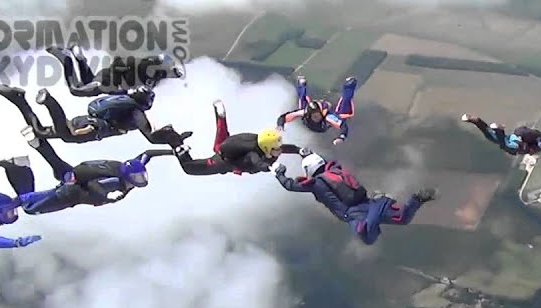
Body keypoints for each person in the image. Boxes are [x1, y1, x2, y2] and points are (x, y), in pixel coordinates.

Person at [274, 151, 436, 245]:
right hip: (369, 202)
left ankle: (367, 221)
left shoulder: (315, 183)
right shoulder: (336, 170)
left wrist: (279, 173)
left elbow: (290, 185)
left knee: (367, 237)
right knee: (403, 218)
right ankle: (416, 199)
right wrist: (306, 153)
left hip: (353, 214)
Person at [0, 135, 173, 215]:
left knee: (56, 163)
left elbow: (147, 153)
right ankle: (20, 168)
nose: (139, 181)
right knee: (29, 208)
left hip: (74, 176)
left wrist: (173, 152)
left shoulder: (130, 166)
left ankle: (33, 150)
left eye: (141, 177)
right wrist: (106, 199)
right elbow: (96, 188)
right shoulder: (115, 183)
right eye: (137, 179)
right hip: (69, 194)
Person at [0, 83, 185, 146]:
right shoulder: (137, 114)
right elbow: (151, 137)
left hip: (86, 119)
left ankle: (17, 98)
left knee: (41, 132)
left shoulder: (123, 98)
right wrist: (173, 139)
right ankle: (49, 100)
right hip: (97, 128)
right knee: (68, 137)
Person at [174, 100, 300, 176]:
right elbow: (257, 162)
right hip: (223, 161)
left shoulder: (266, 146)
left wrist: (300, 150)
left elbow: (286, 148)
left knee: (220, 141)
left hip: (229, 153)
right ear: (267, 147)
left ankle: (221, 117)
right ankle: (177, 145)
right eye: (276, 149)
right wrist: (270, 168)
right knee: (190, 169)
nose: (279, 150)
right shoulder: (253, 154)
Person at [44, 45, 183, 97]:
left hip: (107, 84)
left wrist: (174, 74)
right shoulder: (143, 64)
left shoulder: (157, 74)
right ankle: (67, 59)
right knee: (76, 90)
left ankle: (79, 57)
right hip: (107, 81)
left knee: (86, 82)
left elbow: (166, 74)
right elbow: (119, 62)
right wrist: (120, 84)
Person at [276, 75, 357, 145]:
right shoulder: (303, 112)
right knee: (302, 99)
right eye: (314, 116)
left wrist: (341, 137)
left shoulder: (328, 116)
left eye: (318, 115)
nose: (317, 118)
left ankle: (349, 85)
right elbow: (283, 117)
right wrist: (280, 125)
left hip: (325, 112)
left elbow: (343, 125)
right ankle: (301, 84)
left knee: (344, 111)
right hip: (313, 113)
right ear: (309, 115)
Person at [460, 114, 541, 156]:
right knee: (502, 143)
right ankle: (499, 130)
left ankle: (476, 121)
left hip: (514, 138)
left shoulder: (538, 136)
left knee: (491, 136)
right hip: (518, 144)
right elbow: (531, 147)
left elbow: (526, 133)